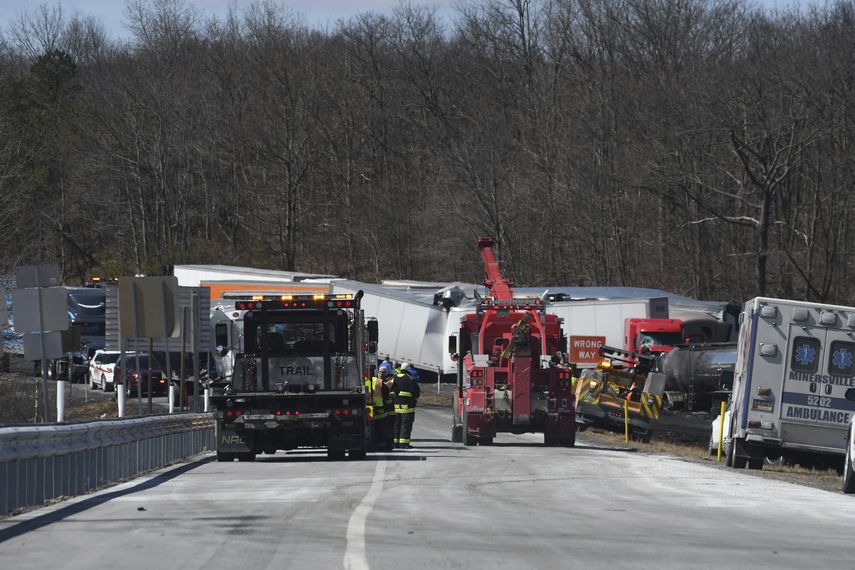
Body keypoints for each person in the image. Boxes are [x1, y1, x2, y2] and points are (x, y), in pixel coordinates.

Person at [393, 362, 420, 449]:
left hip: (396, 406)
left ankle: (395, 443)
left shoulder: (394, 377)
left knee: (396, 424)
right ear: (408, 369)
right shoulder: (409, 378)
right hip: (407, 407)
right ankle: (404, 444)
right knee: (406, 425)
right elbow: (415, 392)